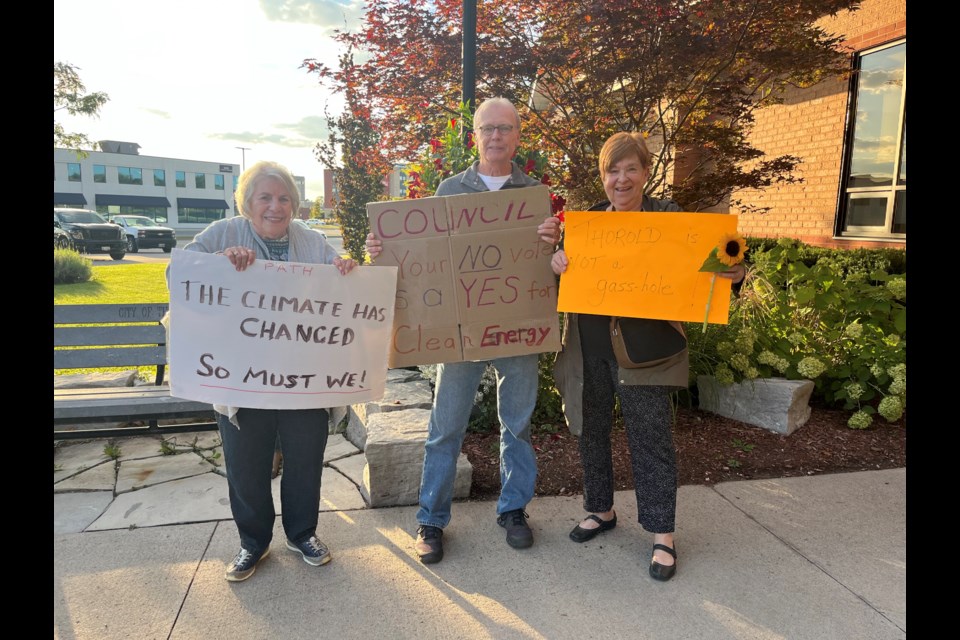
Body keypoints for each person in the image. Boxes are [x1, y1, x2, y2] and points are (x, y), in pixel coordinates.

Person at [366, 97, 561, 563]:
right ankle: (431, 521)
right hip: (457, 330)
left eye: (505, 129)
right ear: (474, 135)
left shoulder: (535, 194)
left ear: (517, 136)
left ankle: (513, 511)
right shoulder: (451, 188)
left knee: (517, 425)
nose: (496, 136)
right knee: (445, 426)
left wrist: (555, 243)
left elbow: (548, 268)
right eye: (487, 128)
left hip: (517, 327)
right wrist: (383, 249)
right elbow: (426, 258)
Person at [550, 132, 745, 582]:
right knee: (592, 430)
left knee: (650, 437)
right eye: (612, 171)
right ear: (602, 178)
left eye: (630, 169)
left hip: (646, 353)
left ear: (645, 172)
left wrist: (733, 272)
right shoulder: (585, 225)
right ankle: (600, 510)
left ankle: (662, 533)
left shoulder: (669, 218)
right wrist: (556, 262)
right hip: (590, 348)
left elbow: (708, 266)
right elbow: (560, 284)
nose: (621, 180)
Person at [181, 160, 358, 582]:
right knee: (246, 464)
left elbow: (342, 281)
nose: (275, 207)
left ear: (294, 206)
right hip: (241, 380)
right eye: (265, 197)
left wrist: (347, 269)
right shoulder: (222, 234)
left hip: (302, 379)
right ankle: (252, 542)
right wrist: (221, 265)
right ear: (247, 203)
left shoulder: (311, 241)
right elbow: (180, 274)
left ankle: (302, 534)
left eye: (284, 199)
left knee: (305, 459)